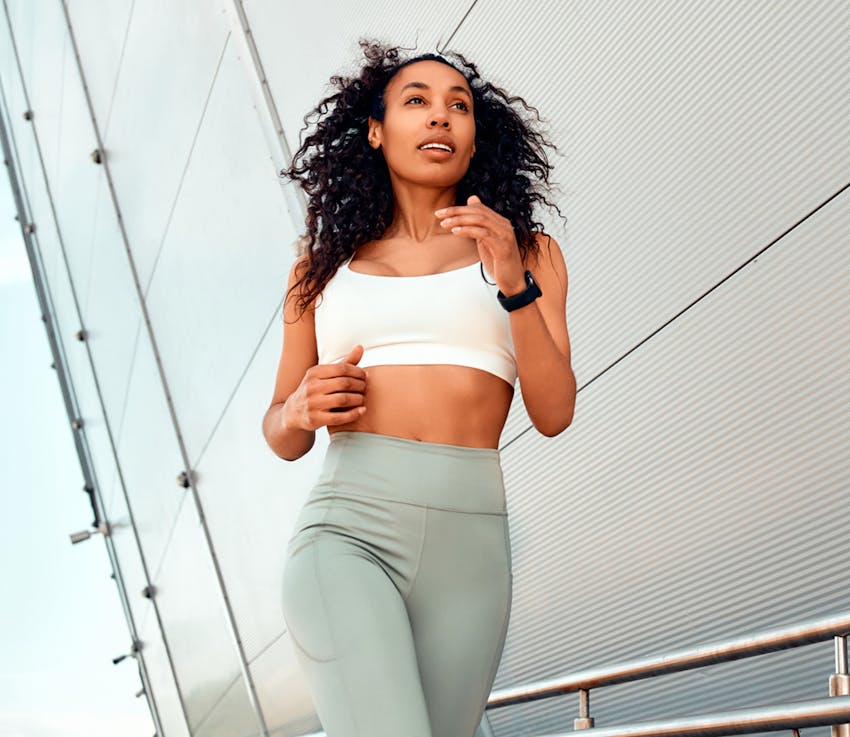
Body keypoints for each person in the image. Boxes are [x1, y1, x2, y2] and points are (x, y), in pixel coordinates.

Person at [262, 38, 576, 737]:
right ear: (375, 131)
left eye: (458, 107)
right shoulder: (317, 271)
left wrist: (511, 283)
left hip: (472, 551)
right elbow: (280, 432)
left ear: (474, 138)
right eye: (417, 102)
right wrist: (299, 407)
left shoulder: (528, 252)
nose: (441, 118)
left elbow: (553, 413)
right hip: (347, 530)